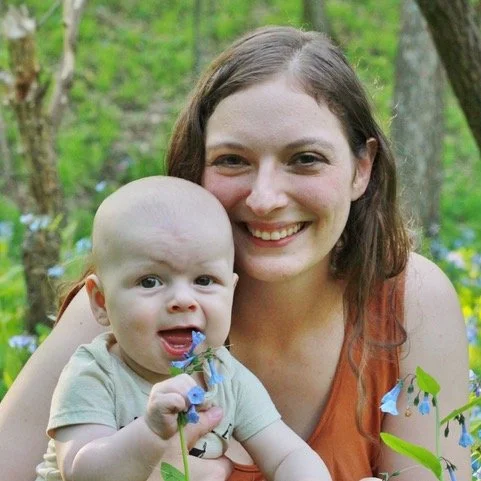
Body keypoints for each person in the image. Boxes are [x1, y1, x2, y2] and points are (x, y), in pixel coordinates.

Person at [0, 26, 469, 481]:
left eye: (305, 158)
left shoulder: (409, 301)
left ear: (360, 169)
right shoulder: (120, 316)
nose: (265, 198)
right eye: (232, 160)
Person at [34, 176, 333, 481]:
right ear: (101, 302)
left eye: (204, 281)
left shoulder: (227, 377)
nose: (182, 300)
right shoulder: (96, 373)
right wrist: (150, 432)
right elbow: (83, 472)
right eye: (150, 281)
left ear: (230, 292)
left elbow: (288, 456)